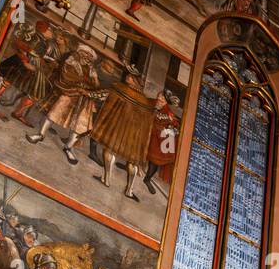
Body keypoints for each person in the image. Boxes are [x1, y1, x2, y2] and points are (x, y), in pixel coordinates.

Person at [27, 44, 107, 165]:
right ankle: (40, 135)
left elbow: (96, 86)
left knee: (81, 125)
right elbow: (66, 77)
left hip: (84, 99)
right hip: (69, 93)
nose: (87, 57)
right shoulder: (70, 62)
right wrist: (82, 85)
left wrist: (93, 82)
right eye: (85, 54)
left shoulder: (91, 70)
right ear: (79, 53)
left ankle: (68, 147)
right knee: (53, 114)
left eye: (90, 56)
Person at [87, 66, 153, 199]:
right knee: (132, 161)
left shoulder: (120, 88)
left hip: (118, 127)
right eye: (128, 75)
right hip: (134, 135)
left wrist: (87, 93)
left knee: (109, 151)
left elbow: (102, 94)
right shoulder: (146, 101)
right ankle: (129, 190)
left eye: (130, 76)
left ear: (135, 81)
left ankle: (106, 179)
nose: (127, 77)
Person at [141, 91, 180, 193]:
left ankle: (147, 179)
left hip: (158, 140)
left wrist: (165, 130)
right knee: (138, 150)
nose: (159, 99)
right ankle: (131, 168)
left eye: (162, 98)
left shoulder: (169, 113)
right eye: (159, 96)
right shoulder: (152, 103)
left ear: (166, 101)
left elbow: (175, 127)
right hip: (145, 132)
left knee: (155, 161)